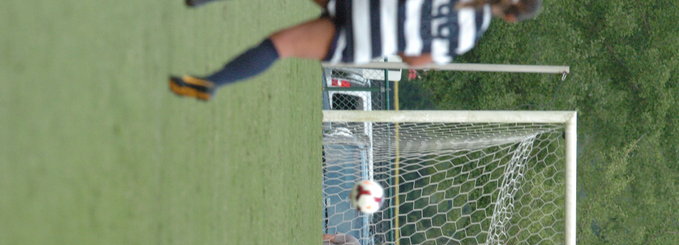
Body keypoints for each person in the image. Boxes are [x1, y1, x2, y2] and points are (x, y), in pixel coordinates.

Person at [169, 0, 542, 101]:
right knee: (280, 46)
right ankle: (210, 83)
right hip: (369, 38)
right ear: (510, 18)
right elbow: (415, 59)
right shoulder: (468, 36)